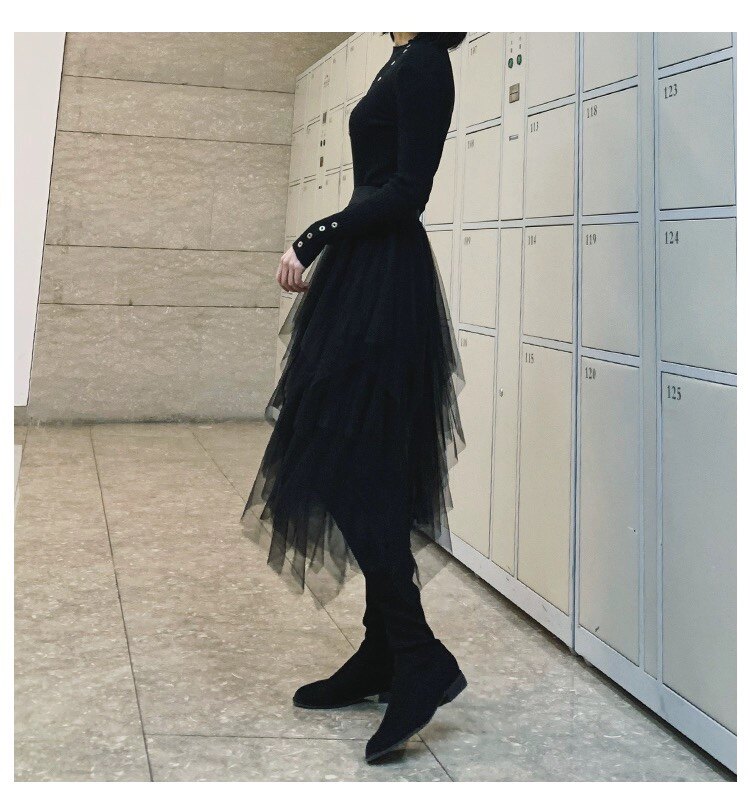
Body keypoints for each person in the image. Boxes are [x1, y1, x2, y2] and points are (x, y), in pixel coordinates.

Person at [241, 32, 468, 764]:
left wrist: (316, 233)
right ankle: (383, 653)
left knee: (349, 462)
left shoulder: (426, 61)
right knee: (360, 464)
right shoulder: (398, 58)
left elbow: (407, 191)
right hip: (364, 270)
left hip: (385, 276)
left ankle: (417, 654)